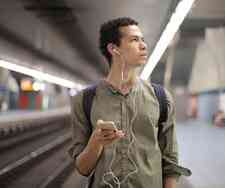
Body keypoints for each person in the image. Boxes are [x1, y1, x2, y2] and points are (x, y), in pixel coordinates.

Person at [68, 17, 191, 188]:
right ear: (113, 48)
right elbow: (82, 168)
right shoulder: (85, 100)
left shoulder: (161, 97)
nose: (143, 45)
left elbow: (170, 162)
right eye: (134, 40)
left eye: (142, 40)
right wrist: (96, 142)